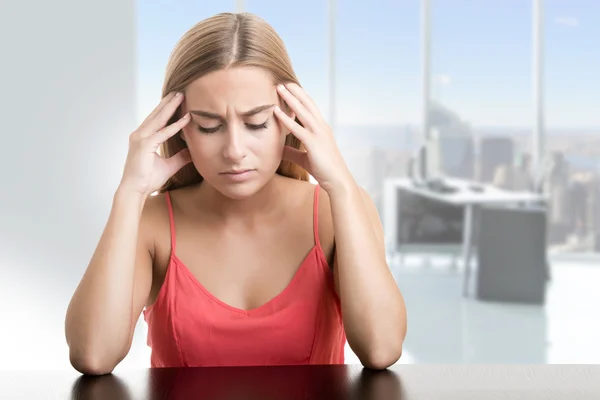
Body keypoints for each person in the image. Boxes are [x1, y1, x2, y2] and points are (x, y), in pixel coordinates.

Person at [65, 12, 407, 375]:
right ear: (180, 127)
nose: (234, 150)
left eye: (256, 123)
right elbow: (92, 355)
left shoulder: (340, 210)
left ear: (291, 115)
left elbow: (381, 348)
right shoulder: (152, 222)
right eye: (209, 126)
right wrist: (129, 194)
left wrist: (340, 184)